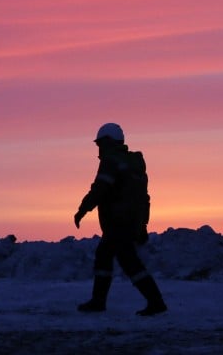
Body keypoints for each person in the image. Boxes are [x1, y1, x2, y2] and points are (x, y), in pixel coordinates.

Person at [74, 122, 167, 316]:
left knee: (126, 260)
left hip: (117, 222)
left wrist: (82, 209)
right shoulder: (135, 163)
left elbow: (100, 188)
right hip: (130, 222)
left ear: (108, 141)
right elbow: (144, 198)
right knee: (108, 256)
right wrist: (142, 225)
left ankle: (155, 302)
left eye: (100, 144)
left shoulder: (111, 161)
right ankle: (99, 301)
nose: (98, 148)